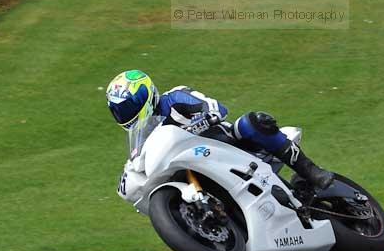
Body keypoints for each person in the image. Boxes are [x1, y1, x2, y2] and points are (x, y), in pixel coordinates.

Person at [106, 69, 334, 190]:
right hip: (191, 167)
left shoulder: (174, 98)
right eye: (120, 110)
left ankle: (310, 171)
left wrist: (206, 117)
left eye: (129, 106)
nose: (126, 113)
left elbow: (215, 107)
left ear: (147, 94)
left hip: (225, 143)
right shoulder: (141, 135)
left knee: (251, 122)